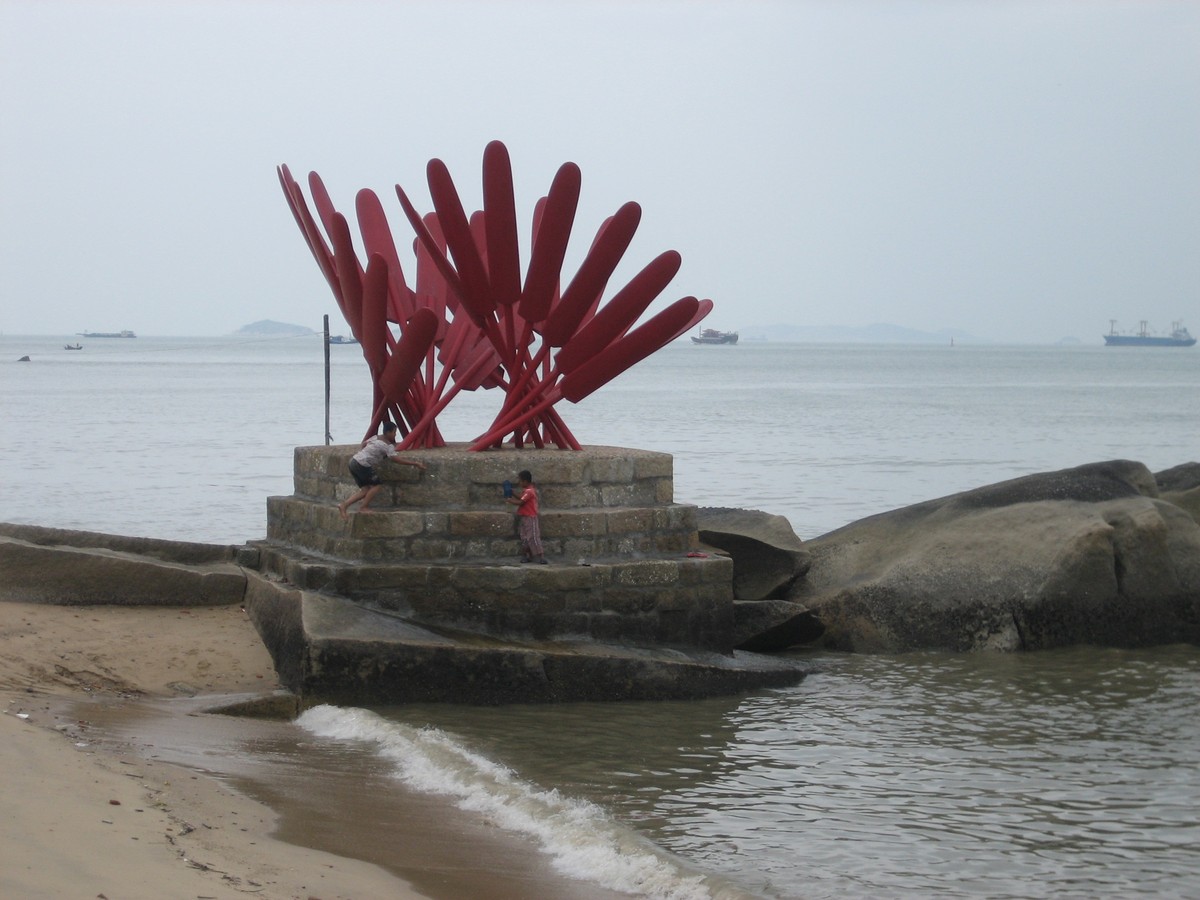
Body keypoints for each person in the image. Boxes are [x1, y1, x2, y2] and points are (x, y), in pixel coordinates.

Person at [338, 422, 426, 520]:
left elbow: (363, 444)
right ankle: (363, 507)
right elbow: (395, 459)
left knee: (365, 490)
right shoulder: (387, 446)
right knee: (377, 485)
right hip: (362, 464)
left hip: (353, 461)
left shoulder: (376, 437)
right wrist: (415, 463)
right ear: (388, 432)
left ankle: (344, 505)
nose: (395, 435)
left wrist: (372, 453)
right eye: (394, 432)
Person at [504, 469, 546, 564]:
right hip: (524, 517)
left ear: (525, 481)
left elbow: (521, 502)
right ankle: (527, 555)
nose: (519, 482)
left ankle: (540, 556)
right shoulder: (526, 491)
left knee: (533, 537)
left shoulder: (530, 491)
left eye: (520, 480)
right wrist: (513, 493)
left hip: (530, 517)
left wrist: (510, 500)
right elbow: (521, 498)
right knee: (524, 537)